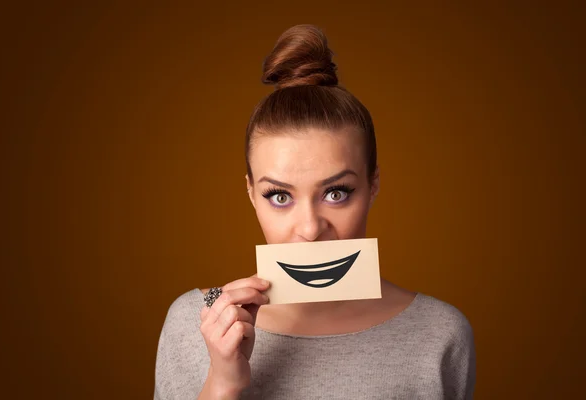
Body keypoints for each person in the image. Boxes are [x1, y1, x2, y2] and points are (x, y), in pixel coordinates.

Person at [154, 24, 476, 400]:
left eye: (336, 192)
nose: (309, 228)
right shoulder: (197, 318)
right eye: (279, 196)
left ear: (372, 186)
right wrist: (224, 383)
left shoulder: (440, 333)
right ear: (251, 194)